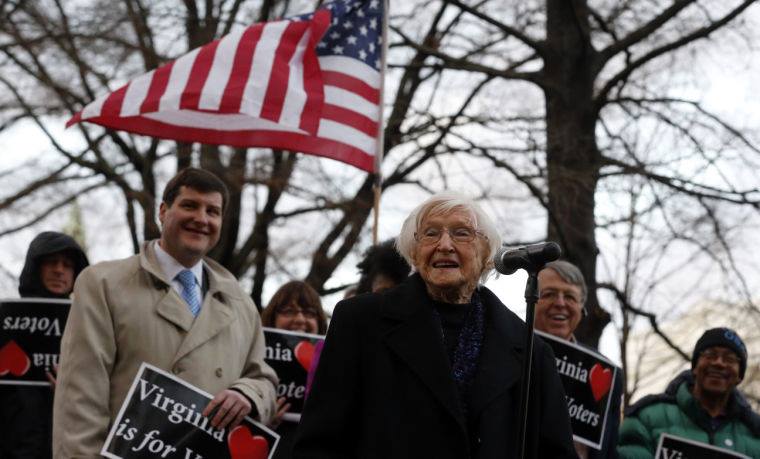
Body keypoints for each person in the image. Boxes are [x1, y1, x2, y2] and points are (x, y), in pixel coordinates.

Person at [293, 192, 577, 459]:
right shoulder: (360, 322)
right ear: (414, 253)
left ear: (487, 255)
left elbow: (555, 451)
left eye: (461, 233)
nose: (444, 245)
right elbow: (319, 442)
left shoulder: (529, 350)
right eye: (431, 233)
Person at [53, 168, 278, 457]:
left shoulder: (241, 304)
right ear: (163, 211)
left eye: (213, 211)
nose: (201, 219)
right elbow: (80, 397)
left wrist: (248, 393)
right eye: (189, 205)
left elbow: (264, 380)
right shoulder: (103, 284)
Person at [0, 231, 88, 459]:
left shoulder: (91, 325)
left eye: (67, 265)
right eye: (51, 262)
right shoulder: (5, 323)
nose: (59, 270)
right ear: (35, 267)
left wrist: (75, 392)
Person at [617, 327, 760, 458]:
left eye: (729, 359)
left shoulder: (755, 435)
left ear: (740, 376)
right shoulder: (647, 418)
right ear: (695, 368)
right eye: (710, 354)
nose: (719, 363)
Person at [536, 260, 623, 459]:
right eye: (549, 294)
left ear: (581, 308)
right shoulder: (507, 353)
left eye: (570, 296)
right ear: (532, 300)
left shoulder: (608, 373)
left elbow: (608, 450)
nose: (560, 303)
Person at [261, 281, 328, 459]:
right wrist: (258, 419)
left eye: (309, 313)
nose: (299, 319)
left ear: (320, 322)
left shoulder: (334, 367)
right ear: (271, 318)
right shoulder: (250, 360)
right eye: (289, 311)